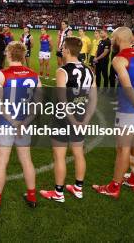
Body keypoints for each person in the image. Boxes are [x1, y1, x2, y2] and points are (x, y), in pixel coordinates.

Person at [93, 27, 134, 198]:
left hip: (129, 109)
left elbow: (127, 88)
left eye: (113, 38)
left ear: (119, 39)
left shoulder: (119, 59)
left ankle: (114, 187)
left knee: (122, 149)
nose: (112, 41)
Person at [0, 41, 40, 210]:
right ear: (23, 55)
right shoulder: (34, 75)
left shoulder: (2, 74)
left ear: (8, 54)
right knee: (27, 160)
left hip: (6, 123)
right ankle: (32, 197)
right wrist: (24, 123)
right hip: (25, 124)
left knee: (1, 162)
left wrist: (14, 122)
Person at [40, 37, 96, 202]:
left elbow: (62, 100)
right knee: (79, 153)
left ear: (68, 50)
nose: (62, 50)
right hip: (81, 115)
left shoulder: (62, 71)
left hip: (63, 118)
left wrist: (71, 119)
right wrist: (85, 120)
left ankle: (58, 193)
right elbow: (93, 98)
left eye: (63, 47)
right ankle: (78, 188)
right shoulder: (89, 71)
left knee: (59, 155)